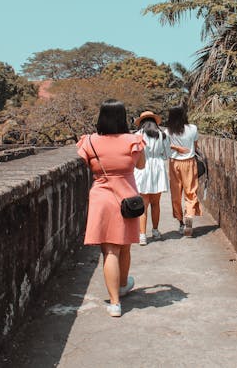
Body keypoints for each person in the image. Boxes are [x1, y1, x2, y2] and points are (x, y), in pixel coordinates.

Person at [77, 99, 146, 317]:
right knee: (124, 246)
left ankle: (115, 302)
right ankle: (123, 284)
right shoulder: (133, 140)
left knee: (109, 251)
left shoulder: (89, 141)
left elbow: (85, 163)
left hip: (101, 197)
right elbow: (141, 165)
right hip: (126, 198)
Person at [133, 111, 188, 245]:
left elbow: (133, 154)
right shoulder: (162, 135)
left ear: (141, 122)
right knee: (155, 203)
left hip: (142, 169)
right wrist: (158, 157)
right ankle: (155, 231)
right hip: (158, 168)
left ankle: (142, 235)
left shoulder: (137, 135)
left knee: (143, 204)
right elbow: (167, 155)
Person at [165, 105, 200, 237]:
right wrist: (183, 148)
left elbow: (165, 146)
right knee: (190, 192)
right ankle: (189, 217)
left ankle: (180, 223)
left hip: (174, 164)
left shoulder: (168, 131)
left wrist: (176, 147)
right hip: (189, 163)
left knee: (176, 194)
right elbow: (195, 146)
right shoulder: (193, 128)